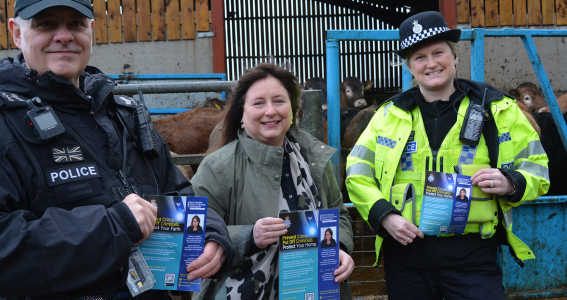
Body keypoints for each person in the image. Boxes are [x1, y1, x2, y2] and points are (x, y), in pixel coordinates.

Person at [0, 0, 233, 299]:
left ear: (91, 31)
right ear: (17, 33)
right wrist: (113, 226)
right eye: (45, 24)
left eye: (76, 24)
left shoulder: (125, 114)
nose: (64, 36)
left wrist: (209, 234)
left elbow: (175, 191)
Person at [346, 11, 550, 300]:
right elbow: (357, 173)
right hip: (406, 261)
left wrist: (511, 182)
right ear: (410, 66)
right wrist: (384, 215)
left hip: (473, 261)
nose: (431, 63)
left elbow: (538, 170)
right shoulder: (388, 116)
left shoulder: (499, 110)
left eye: (438, 52)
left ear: (454, 56)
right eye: (419, 57)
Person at [190, 62, 355, 300]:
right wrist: (249, 236)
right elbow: (194, 234)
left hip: (314, 290)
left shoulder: (316, 159)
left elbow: (339, 215)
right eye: (258, 103)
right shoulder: (217, 167)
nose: (270, 111)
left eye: (279, 101)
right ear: (242, 113)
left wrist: (339, 248)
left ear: (293, 108)